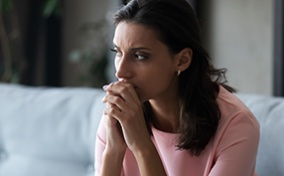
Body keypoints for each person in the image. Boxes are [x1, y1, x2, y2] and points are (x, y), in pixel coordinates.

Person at [95, 0, 260, 175]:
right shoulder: (122, 113)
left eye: (140, 56)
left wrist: (142, 146)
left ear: (182, 60)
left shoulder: (236, 125)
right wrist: (113, 150)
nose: (121, 71)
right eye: (118, 52)